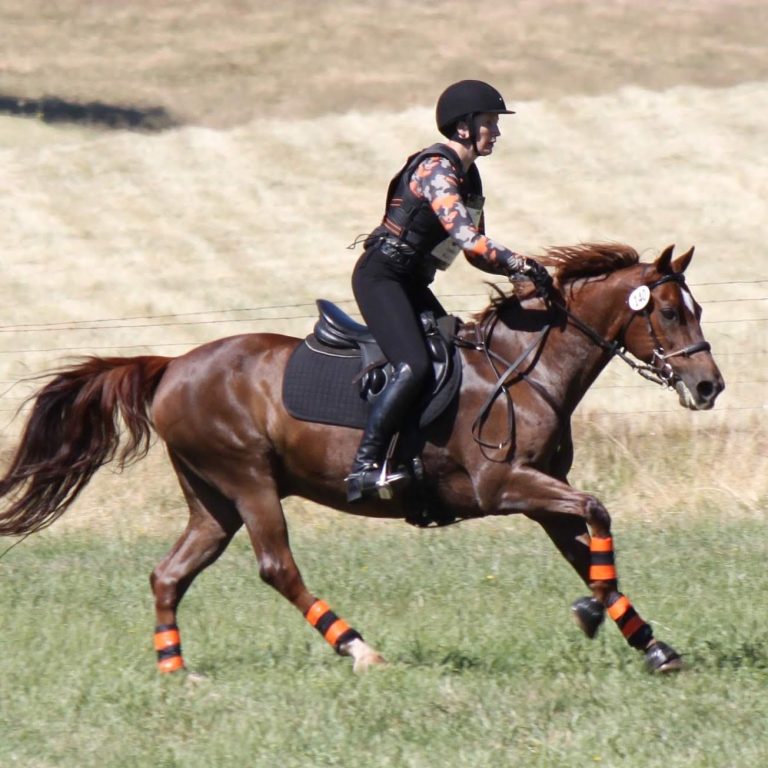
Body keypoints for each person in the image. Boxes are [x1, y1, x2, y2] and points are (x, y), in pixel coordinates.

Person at [345, 79, 551, 502]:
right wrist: (518, 261)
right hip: (381, 278)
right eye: (490, 123)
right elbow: (467, 237)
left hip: (411, 282)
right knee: (416, 364)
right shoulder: (437, 170)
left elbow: (474, 255)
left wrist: (521, 280)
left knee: (453, 354)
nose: (496, 132)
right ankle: (364, 467)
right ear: (464, 127)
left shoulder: (469, 181)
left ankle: (420, 456)